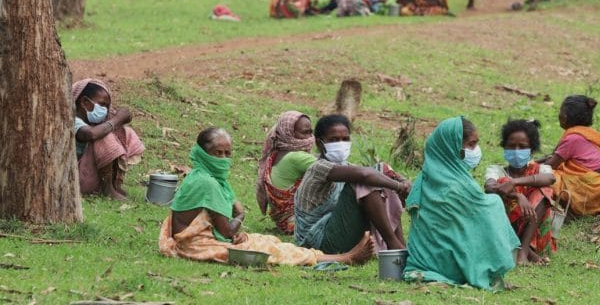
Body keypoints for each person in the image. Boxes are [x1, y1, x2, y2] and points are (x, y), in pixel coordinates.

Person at [159, 127, 374, 266]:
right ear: (204, 153)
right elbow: (226, 232)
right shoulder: (207, 183)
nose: (224, 160)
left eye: (228, 153)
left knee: (268, 240)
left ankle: (333, 257)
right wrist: (241, 215)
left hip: (196, 240)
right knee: (269, 250)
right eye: (218, 153)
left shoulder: (204, 176)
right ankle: (344, 258)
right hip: (197, 246)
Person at [403, 116, 519, 289]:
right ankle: (485, 268)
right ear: (453, 146)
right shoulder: (459, 185)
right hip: (452, 267)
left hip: (425, 261)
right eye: (471, 144)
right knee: (493, 203)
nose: (476, 150)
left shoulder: (425, 177)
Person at [294, 114, 411, 254]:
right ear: (320, 143)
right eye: (334, 140)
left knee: (379, 176)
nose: (340, 143)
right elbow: (364, 175)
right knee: (366, 180)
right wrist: (398, 186)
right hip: (316, 241)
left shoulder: (346, 166)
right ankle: (393, 244)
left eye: (345, 139)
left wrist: (403, 181)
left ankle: (401, 245)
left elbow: (376, 173)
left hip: (338, 231)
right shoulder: (318, 167)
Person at [539, 95, 600, 216]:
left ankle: (570, 210)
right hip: (599, 189)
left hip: (586, 191)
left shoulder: (572, 138)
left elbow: (551, 164)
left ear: (565, 116)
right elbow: (555, 155)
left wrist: (531, 166)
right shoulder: (590, 134)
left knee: (544, 174)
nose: (559, 115)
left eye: (561, 111)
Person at [484, 120, 556, 266]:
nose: (516, 150)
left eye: (522, 147)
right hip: (503, 231)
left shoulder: (540, 169)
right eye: (511, 146)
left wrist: (515, 183)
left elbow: (550, 178)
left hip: (534, 233)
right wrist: (517, 195)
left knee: (544, 189)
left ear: (531, 150)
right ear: (504, 147)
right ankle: (525, 252)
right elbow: (489, 187)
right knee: (502, 182)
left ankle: (523, 251)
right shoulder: (496, 170)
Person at [72, 79, 145, 201]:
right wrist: (117, 120)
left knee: (122, 131)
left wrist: (121, 117)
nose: (105, 110)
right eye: (102, 105)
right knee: (104, 136)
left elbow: (117, 121)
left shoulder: (96, 122)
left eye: (107, 106)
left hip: (88, 175)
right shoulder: (73, 120)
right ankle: (108, 189)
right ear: (84, 102)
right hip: (76, 178)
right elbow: (91, 134)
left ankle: (114, 184)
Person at [256, 111, 317, 234]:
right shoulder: (296, 157)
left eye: (311, 132)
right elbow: (332, 170)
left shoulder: (275, 154)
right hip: (299, 225)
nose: (310, 137)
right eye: (305, 132)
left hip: (284, 223)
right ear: (288, 133)